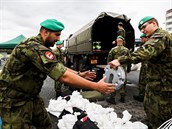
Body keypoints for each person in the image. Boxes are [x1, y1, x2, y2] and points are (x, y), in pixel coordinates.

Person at [0, 19, 115, 129]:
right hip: (13, 100)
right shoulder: (33, 47)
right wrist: (96, 87)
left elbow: (59, 68)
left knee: (45, 124)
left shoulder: (41, 47)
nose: (58, 39)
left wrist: (79, 74)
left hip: (31, 97)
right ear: (45, 32)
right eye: (57, 35)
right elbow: (63, 76)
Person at [108, 16, 172, 129]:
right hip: (157, 86)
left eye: (144, 27)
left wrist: (120, 60)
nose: (142, 31)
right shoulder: (156, 37)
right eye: (140, 29)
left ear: (154, 23)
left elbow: (145, 51)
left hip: (164, 88)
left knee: (162, 119)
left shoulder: (161, 35)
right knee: (151, 113)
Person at [106, 36, 131, 104]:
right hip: (123, 69)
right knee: (123, 81)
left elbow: (109, 60)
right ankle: (122, 98)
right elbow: (129, 60)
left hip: (115, 69)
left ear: (117, 41)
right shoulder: (126, 50)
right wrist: (129, 68)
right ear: (123, 41)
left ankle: (112, 98)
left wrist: (109, 68)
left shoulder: (113, 50)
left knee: (114, 82)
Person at [133, 33, 148, 102]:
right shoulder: (144, 45)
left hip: (147, 67)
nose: (141, 40)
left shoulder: (148, 45)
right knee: (142, 81)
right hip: (144, 66)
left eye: (142, 38)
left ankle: (143, 96)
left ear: (145, 38)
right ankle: (143, 95)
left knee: (144, 81)